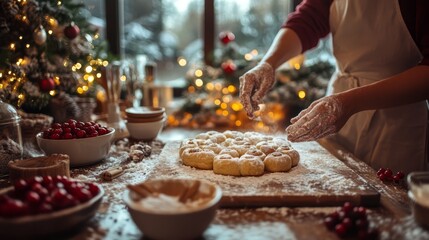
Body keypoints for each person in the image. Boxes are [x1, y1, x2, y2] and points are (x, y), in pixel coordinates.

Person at [239, 0, 429, 174]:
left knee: (390, 201)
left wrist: (350, 103)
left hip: (396, 120)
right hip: (336, 108)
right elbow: (306, 21)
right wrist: (268, 63)